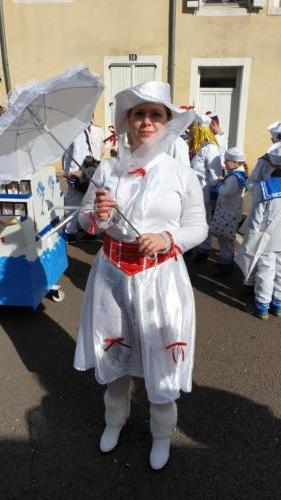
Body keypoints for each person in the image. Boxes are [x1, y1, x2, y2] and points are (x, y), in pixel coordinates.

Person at [73, 81, 208, 470]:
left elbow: (197, 226)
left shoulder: (182, 175)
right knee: (115, 352)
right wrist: (98, 216)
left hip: (161, 279)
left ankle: (161, 433)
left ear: (166, 122)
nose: (146, 121)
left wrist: (169, 237)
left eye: (156, 114)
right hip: (112, 277)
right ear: (127, 122)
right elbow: (86, 221)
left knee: (162, 356)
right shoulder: (108, 169)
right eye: (139, 114)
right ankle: (114, 420)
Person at [241, 142, 281, 320]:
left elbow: (257, 217)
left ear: (272, 163)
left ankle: (262, 306)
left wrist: (252, 235)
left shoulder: (265, 188)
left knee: (265, 270)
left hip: (267, 238)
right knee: (280, 270)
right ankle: (278, 304)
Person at [63, 115, 105, 242]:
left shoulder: (76, 130)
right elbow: (101, 151)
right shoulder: (98, 130)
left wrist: (69, 172)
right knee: (90, 202)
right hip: (93, 170)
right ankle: (91, 233)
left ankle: (71, 233)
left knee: (73, 203)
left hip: (79, 172)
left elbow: (73, 153)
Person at [209, 147, 248, 276]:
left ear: (235, 163)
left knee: (225, 238)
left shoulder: (234, 177)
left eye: (227, 161)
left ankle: (227, 264)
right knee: (224, 238)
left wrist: (220, 183)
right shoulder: (235, 175)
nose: (224, 163)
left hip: (228, 212)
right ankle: (226, 260)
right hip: (228, 210)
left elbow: (225, 193)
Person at [189, 114, 222, 262]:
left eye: (195, 129)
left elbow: (215, 174)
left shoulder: (211, 147)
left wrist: (215, 195)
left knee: (204, 220)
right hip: (195, 190)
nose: (191, 132)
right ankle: (196, 245)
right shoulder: (199, 146)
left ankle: (204, 249)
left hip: (205, 191)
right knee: (194, 219)